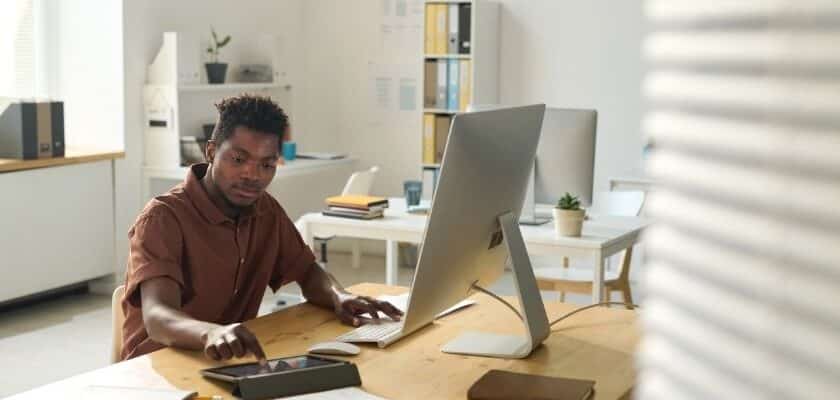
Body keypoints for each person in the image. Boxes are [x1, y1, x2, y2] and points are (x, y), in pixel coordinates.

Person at [120, 94, 402, 362]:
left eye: (267, 164)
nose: (253, 176)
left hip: (227, 361)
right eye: (239, 160)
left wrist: (339, 295)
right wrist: (212, 332)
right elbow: (157, 317)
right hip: (157, 367)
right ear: (211, 151)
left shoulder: (266, 210)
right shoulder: (163, 218)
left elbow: (306, 271)